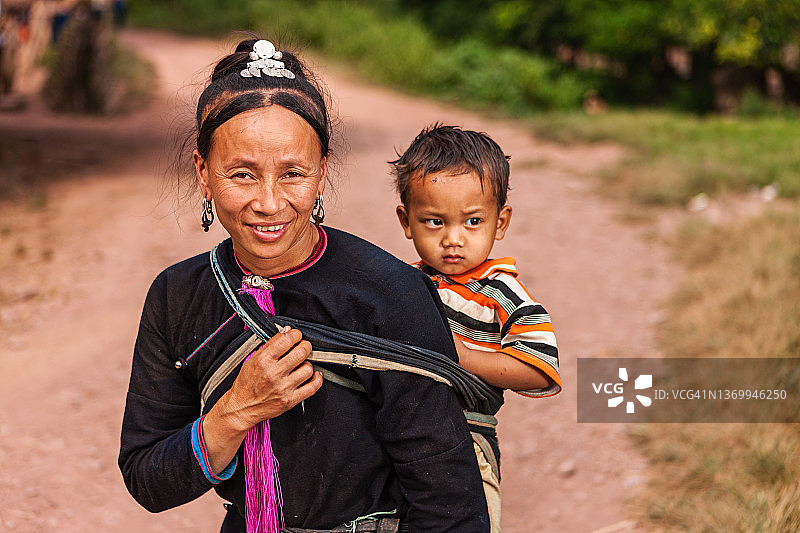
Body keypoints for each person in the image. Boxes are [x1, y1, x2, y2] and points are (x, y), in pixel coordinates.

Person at [118, 40, 490, 533]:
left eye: (292, 173)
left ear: (321, 172)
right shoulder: (177, 296)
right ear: (203, 173)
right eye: (241, 174)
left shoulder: (389, 292)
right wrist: (234, 413)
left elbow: (449, 504)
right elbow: (147, 479)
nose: (269, 202)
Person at [391, 124, 562, 532]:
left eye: (472, 222)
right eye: (433, 221)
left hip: (465, 445)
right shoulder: (405, 284)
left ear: (500, 223)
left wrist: (460, 355)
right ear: (406, 220)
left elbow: (539, 367)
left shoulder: (502, 291)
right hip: (397, 441)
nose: (453, 239)